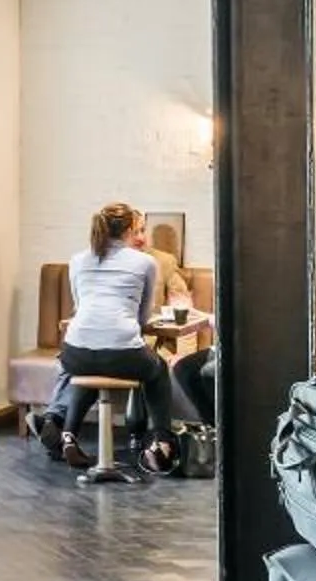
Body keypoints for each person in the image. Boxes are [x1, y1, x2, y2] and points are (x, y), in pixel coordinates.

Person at [35, 202, 201, 479]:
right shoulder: (144, 262)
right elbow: (143, 314)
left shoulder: (78, 259)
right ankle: (159, 443)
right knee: (157, 369)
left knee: (89, 368)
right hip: (123, 351)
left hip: (75, 351)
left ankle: (67, 436)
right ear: (128, 230)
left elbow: (80, 305)